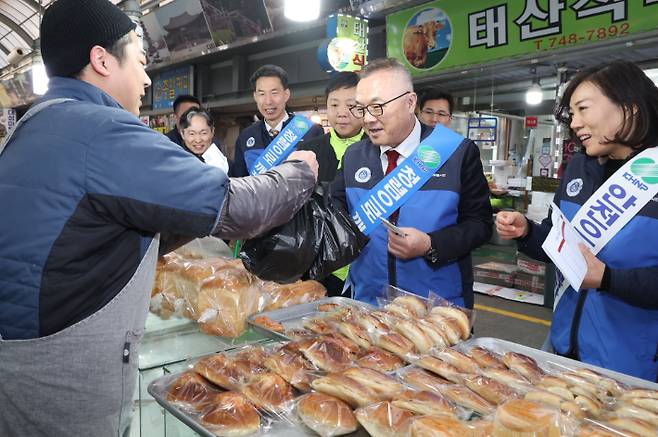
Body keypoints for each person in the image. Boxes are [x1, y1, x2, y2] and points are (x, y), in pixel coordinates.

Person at [0, 1, 318, 435]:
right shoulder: (101, 130)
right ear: (102, 60)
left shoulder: (33, 126)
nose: (148, 79)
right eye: (141, 61)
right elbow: (238, 208)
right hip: (67, 377)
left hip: (22, 361)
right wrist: (301, 172)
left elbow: (96, 230)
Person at [496, 60, 658, 381]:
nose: (576, 123)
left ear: (631, 107)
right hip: (563, 351)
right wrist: (527, 232)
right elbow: (563, 248)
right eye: (572, 114)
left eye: (583, 109)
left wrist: (607, 279)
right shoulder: (579, 168)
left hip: (632, 366)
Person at [331, 58, 492, 308]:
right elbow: (334, 216)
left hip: (436, 309)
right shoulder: (353, 156)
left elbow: (480, 225)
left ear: (410, 102)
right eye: (361, 109)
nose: (368, 119)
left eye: (377, 107)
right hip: (368, 306)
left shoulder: (456, 153)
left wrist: (431, 244)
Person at [298, 72, 365, 295]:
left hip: (363, 264)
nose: (342, 113)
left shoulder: (376, 149)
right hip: (319, 266)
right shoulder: (309, 149)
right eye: (334, 105)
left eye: (351, 105)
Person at [230, 64, 325, 177]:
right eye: (262, 94)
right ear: (255, 96)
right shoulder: (245, 136)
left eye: (274, 93)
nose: (268, 101)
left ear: (286, 94)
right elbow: (240, 182)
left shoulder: (311, 131)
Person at [179, 106, 229, 173]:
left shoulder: (223, 162)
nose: (198, 140)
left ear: (212, 132)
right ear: (182, 134)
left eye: (203, 133)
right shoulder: (176, 163)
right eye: (192, 134)